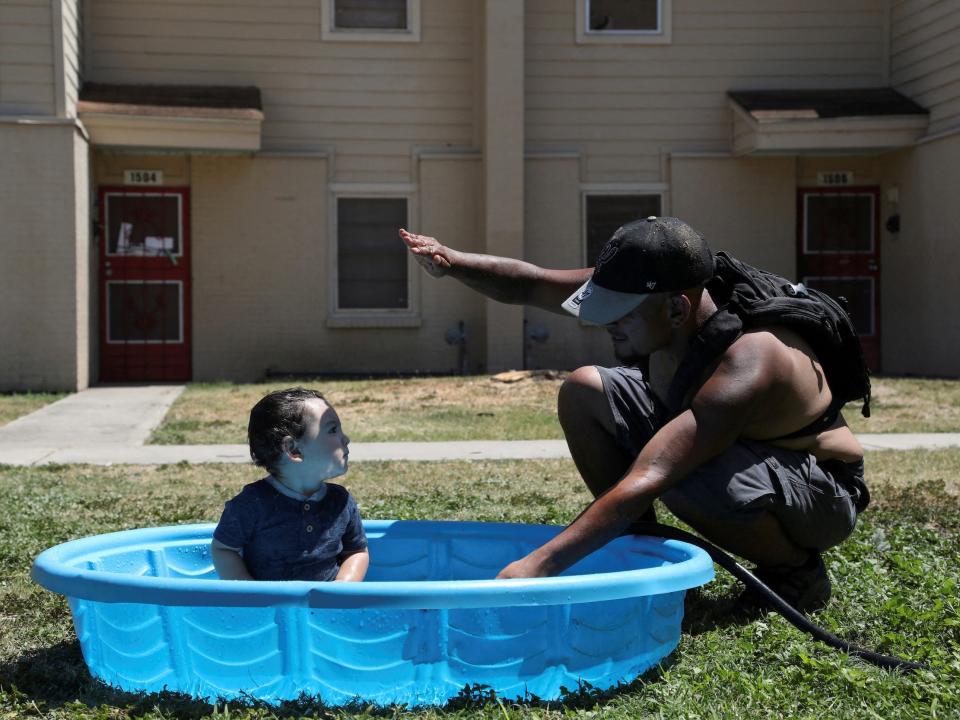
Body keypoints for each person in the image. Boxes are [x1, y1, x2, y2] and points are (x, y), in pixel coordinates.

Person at [400, 217, 869, 612]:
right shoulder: (660, 296)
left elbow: (656, 471)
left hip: (820, 493)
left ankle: (797, 575)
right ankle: (641, 552)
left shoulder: (750, 360)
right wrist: (453, 262)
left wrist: (533, 568)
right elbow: (533, 283)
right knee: (585, 389)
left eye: (620, 314)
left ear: (676, 309)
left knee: (683, 473)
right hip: (739, 457)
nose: (606, 323)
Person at [211, 387, 369, 582]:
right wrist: (250, 592)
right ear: (293, 450)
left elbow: (357, 551)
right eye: (333, 430)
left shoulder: (341, 501)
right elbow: (223, 549)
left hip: (325, 610)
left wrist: (342, 588)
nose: (346, 438)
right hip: (270, 609)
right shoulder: (252, 504)